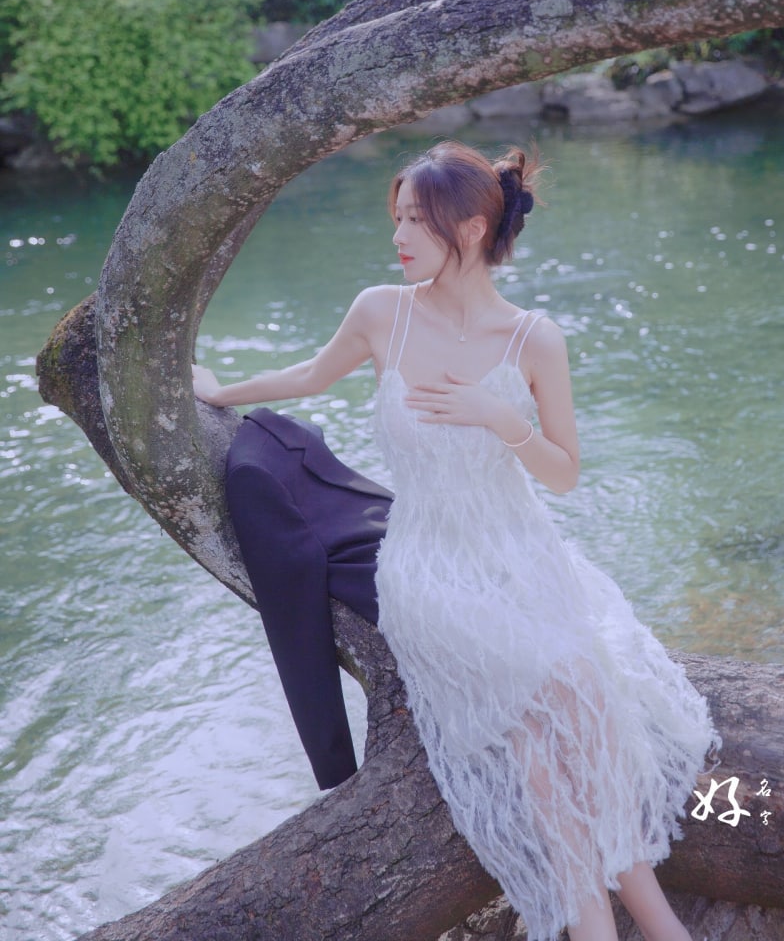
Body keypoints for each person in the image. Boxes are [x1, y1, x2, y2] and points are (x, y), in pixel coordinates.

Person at [193, 140, 721, 941]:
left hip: (520, 555)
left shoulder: (533, 338)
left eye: (416, 221)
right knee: (552, 699)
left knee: (572, 704)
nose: (398, 235)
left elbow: (564, 474)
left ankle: (620, 923)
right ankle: (639, 924)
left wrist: (502, 418)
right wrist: (219, 389)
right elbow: (308, 375)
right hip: (429, 567)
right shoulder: (382, 311)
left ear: (470, 229)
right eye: (398, 217)